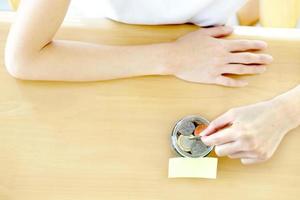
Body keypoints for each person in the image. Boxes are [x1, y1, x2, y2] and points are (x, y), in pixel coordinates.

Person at [4, 0, 298, 165]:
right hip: (96, 62)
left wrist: (283, 112)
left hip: (216, 58)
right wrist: (173, 57)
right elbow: (26, 57)